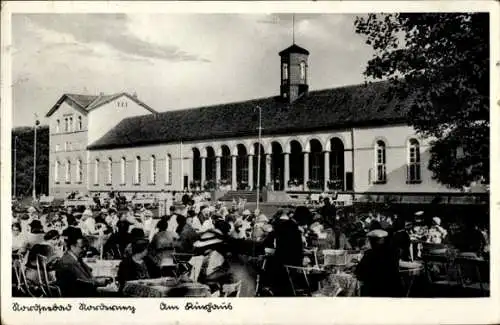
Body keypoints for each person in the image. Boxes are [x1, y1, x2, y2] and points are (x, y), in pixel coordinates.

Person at [55, 232, 110, 297]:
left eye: (86, 247)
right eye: (82, 247)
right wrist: (100, 282)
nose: (85, 250)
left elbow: (89, 272)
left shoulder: (75, 258)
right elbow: (83, 280)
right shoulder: (68, 262)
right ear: (72, 246)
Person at [355, 229, 403, 297]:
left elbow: (359, 273)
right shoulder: (394, 253)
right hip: (394, 291)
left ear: (374, 241)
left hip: (375, 292)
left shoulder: (370, 254)